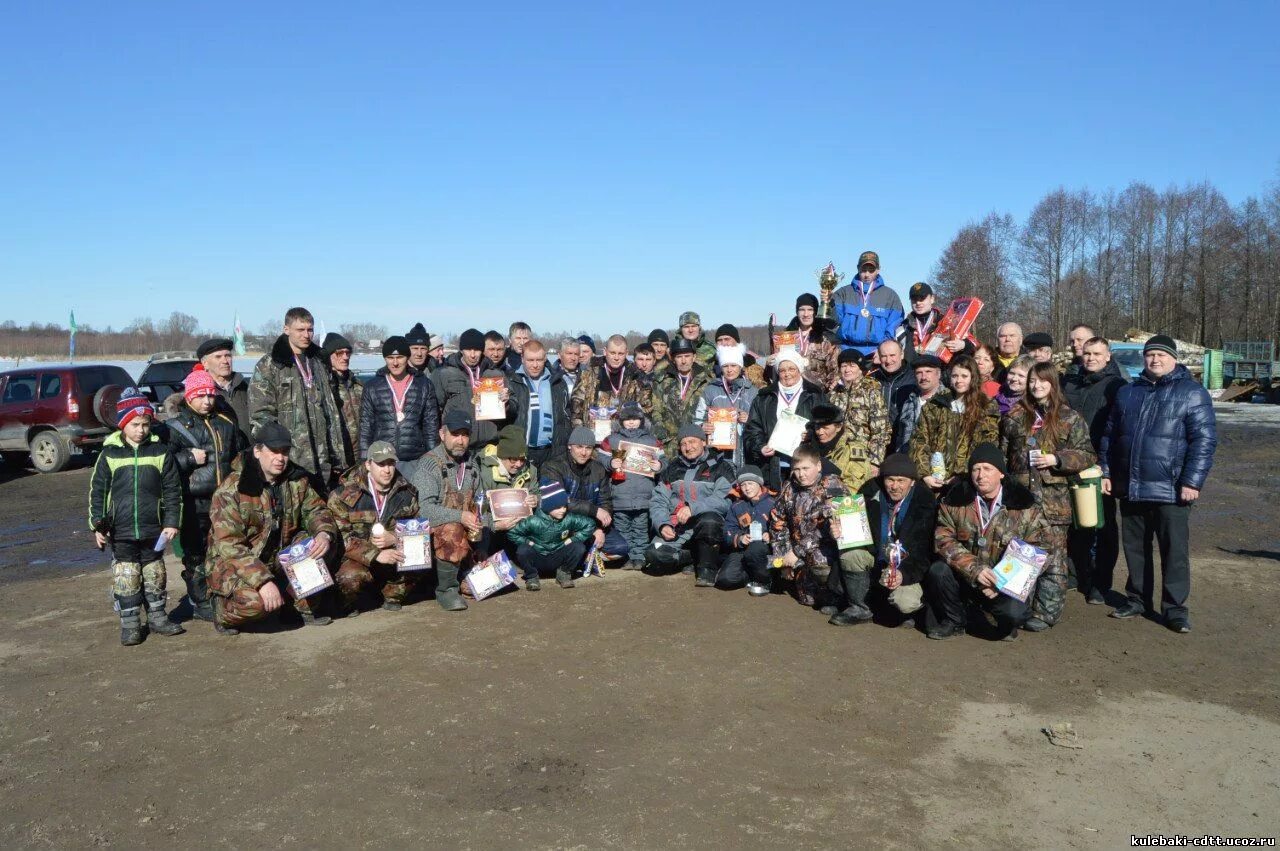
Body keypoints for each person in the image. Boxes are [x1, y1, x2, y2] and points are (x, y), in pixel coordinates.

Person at [1101, 335, 1217, 633]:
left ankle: (1175, 609)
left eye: (1161, 355)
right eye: (1150, 355)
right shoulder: (1129, 393)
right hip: (1131, 486)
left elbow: (1203, 441)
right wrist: (1106, 472)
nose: (1155, 360)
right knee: (1135, 548)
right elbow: (1110, 436)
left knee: (1173, 551)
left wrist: (1192, 481)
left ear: (1174, 359)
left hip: (1171, 488)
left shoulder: (1192, 393)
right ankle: (1137, 599)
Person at [207, 420, 339, 633]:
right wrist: (262, 581)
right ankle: (222, 611)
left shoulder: (296, 479)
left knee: (319, 544)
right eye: (274, 451)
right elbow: (229, 545)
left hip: (277, 554)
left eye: (285, 452)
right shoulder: (231, 490)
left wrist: (324, 533)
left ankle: (298, 606)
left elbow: (317, 510)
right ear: (258, 451)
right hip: (235, 562)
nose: (280, 458)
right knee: (256, 604)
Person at [999, 363, 1096, 630]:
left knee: (1052, 558)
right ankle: (1019, 607)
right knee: (1019, 553)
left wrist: (1057, 458)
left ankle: (1045, 613)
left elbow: (1087, 454)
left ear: (1053, 384)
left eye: (1042, 381)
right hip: (1021, 499)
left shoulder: (1069, 417)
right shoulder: (1015, 415)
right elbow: (1003, 455)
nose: (1036, 386)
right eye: (1032, 381)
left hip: (1054, 500)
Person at [923, 443, 1051, 641]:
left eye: (987, 469)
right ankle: (955, 621)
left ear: (1001, 473)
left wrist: (1000, 581)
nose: (980, 475)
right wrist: (975, 570)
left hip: (1004, 583)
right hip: (966, 577)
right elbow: (943, 540)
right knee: (938, 571)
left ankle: (1002, 623)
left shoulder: (1025, 506)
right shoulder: (954, 501)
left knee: (1014, 613)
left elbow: (1040, 548)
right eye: (976, 469)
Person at [89, 389, 184, 645]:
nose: (141, 430)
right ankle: (130, 623)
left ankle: (158, 617)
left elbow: (173, 491)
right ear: (123, 424)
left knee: (154, 572)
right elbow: (98, 491)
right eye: (135, 425)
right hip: (120, 531)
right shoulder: (109, 454)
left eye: (145, 424)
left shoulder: (160, 452)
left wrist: (172, 521)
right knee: (127, 575)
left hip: (153, 528)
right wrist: (97, 524)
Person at [165, 367, 247, 623]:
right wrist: (189, 458)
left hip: (224, 501)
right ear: (189, 397)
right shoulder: (175, 428)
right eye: (200, 396)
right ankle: (200, 601)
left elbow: (240, 454)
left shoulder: (226, 424)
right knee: (196, 554)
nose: (207, 401)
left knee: (223, 550)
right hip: (194, 502)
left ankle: (222, 593)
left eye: (210, 395)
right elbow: (163, 464)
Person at [405, 410, 499, 612]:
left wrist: (483, 544)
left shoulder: (472, 465)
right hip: (432, 536)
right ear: (442, 434)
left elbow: (481, 507)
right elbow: (424, 511)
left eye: (465, 435)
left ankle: (463, 577)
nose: (460, 441)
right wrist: (461, 516)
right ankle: (446, 590)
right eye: (455, 434)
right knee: (453, 528)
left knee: (489, 583)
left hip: (463, 539)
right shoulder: (430, 464)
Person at [769, 444, 873, 622]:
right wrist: (783, 559)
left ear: (818, 466)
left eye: (806, 468)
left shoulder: (832, 486)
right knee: (806, 599)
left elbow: (823, 529)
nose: (801, 474)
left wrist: (796, 552)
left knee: (821, 563)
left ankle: (838, 596)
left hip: (826, 549)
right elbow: (778, 523)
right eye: (797, 469)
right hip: (797, 551)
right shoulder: (788, 487)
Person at [1062, 336, 1128, 604]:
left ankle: (1101, 582)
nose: (1091, 358)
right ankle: (1079, 575)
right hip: (1070, 462)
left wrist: (1108, 468)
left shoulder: (1117, 386)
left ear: (1108, 356)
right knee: (1075, 525)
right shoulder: (1071, 383)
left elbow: (1118, 430)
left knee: (1102, 526)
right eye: (1087, 353)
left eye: (1097, 353)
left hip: (1099, 466)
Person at [249, 307, 345, 489]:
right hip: (291, 459)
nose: (306, 335)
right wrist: (276, 454)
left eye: (310, 330)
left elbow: (331, 411)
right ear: (287, 330)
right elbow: (261, 416)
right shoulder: (270, 365)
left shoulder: (319, 361)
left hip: (324, 458)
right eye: (300, 330)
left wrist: (337, 454)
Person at [329, 441, 421, 615]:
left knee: (420, 558)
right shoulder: (343, 495)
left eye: (391, 463)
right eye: (380, 464)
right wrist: (376, 554)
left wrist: (395, 537)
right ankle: (348, 603)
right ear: (368, 465)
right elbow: (341, 537)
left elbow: (419, 529)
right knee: (350, 578)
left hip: (393, 556)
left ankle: (391, 595)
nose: (387, 470)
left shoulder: (407, 493)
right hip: (357, 558)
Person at [647, 425, 734, 585]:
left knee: (710, 520)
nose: (688, 447)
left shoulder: (722, 467)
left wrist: (693, 508)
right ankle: (691, 557)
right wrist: (662, 525)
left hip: (707, 527)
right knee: (654, 554)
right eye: (684, 444)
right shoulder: (672, 468)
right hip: (679, 528)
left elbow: (724, 502)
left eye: (692, 442)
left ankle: (707, 569)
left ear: (703, 442)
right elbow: (659, 500)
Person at [858, 453, 936, 628]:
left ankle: (914, 612)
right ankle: (857, 606)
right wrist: (841, 533)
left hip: (908, 567)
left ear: (913, 481)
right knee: (852, 556)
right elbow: (856, 534)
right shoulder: (869, 496)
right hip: (878, 560)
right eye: (890, 480)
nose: (894, 486)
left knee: (905, 602)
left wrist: (904, 574)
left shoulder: (925, 505)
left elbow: (924, 552)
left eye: (901, 480)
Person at [909, 355, 999, 489]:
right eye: (955, 376)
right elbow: (919, 440)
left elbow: (987, 443)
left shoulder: (986, 405)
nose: (958, 381)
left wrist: (964, 475)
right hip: (935, 478)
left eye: (964, 376)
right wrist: (925, 474)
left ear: (973, 377)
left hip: (968, 480)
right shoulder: (935, 404)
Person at [542, 427, 628, 564]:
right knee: (571, 549)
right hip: (563, 524)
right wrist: (593, 510)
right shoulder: (553, 467)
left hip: (592, 525)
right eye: (579, 447)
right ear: (570, 446)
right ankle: (580, 556)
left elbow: (605, 502)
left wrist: (600, 529)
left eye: (588, 448)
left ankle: (585, 557)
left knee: (620, 548)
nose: (583, 452)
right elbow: (559, 501)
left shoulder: (598, 469)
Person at [743, 350, 826, 489]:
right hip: (774, 465)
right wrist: (760, 447)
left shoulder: (815, 395)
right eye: (782, 370)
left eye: (792, 369)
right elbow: (752, 429)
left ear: (799, 370)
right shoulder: (764, 397)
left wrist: (811, 435)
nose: (787, 374)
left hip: (804, 465)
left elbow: (825, 426)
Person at [358, 336, 440, 467]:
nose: (395, 363)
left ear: (407, 357)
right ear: (385, 359)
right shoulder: (372, 387)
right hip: (382, 459)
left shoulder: (424, 385)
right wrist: (364, 459)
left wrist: (433, 460)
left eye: (400, 357)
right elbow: (366, 426)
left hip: (415, 459)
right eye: (390, 358)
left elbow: (431, 426)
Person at [602, 402, 664, 570]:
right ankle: (627, 557)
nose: (631, 422)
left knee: (640, 528)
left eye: (635, 418)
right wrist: (610, 462)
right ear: (620, 421)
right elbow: (600, 457)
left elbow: (663, 459)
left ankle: (641, 556)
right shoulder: (612, 439)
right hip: (620, 492)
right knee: (623, 528)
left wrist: (659, 466)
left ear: (642, 420)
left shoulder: (651, 440)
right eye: (627, 419)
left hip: (644, 493)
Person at [508, 481, 597, 590]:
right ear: (547, 507)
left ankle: (564, 573)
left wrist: (574, 538)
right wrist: (528, 542)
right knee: (523, 550)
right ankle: (531, 576)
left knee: (579, 547)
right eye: (558, 507)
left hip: (558, 556)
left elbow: (590, 524)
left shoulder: (568, 518)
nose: (563, 510)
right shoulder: (533, 520)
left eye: (565, 506)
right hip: (538, 556)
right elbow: (512, 533)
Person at [433, 328, 508, 449]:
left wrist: (507, 403)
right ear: (461, 350)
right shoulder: (444, 374)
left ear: (482, 351)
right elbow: (434, 411)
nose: (473, 355)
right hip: (458, 444)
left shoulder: (494, 374)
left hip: (489, 445)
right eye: (468, 350)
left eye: (477, 350)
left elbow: (514, 408)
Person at [505, 339, 571, 467]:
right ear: (522, 358)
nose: (535, 365)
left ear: (545, 358)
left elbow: (566, 416)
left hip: (551, 451)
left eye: (539, 360)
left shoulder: (557, 382)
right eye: (530, 360)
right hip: (522, 451)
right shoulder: (512, 381)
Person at [694, 344, 758, 468]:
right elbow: (697, 418)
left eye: (733, 365)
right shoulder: (710, 390)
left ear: (740, 367)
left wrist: (749, 419)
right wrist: (703, 426)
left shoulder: (753, 391)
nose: (729, 370)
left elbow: (761, 422)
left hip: (744, 449)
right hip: (717, 450)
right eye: (725, 366)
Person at [827, 349, 890, 475]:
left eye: (852, 365)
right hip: (836, 455)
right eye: (844, 366)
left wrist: (874, 461)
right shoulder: (834, 394)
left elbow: (881, 431)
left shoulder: (871, 392)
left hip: (861, 457)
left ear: (860, 369)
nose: (847, 369)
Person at [832, 250, 905, 355]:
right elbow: (834, 321)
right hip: (846, 351)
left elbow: (893, 326)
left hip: (876, 353)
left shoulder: (890, 296)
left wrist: (882, 349)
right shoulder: (843, 293)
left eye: (871, 270)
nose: (867, 274)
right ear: (858, 268)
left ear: (878, 270)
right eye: (863, 270)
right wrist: (828, 303)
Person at [570, 334, 649, 428]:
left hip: (624, 437)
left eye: (620, 354)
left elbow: (645, 409)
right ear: (605, 351)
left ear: (627, 353)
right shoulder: (588, 372)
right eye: (612, 353)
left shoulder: (636, 377)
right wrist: (580, 433)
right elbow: (576, 406)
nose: (616, 358)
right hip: (592, 437)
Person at [651, 337, 713, 457]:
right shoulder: (662, 381)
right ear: (673, 359)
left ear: (694, 357)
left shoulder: (707, 381)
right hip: (670, 445)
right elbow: (656, 409)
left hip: (697, 444)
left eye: (687, 356)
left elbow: (713, 409)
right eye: (679, 357)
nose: (683, 361)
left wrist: (705, 425)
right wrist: (659, 428)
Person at [718, 465, 774, 596]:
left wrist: (772, 535)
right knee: (725, 579)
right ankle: (751, 576)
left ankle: (765, 580)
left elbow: (783, 526)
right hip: (743, 549)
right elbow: (727, 531)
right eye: (743, 485)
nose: (747, 488)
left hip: (765, 550)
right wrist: (739, 538)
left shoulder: (772, 503)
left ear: (759, 484)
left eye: (750, 483)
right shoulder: (737, 506)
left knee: (755, 550)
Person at [805, 402, 874, 493]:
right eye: (817, 427)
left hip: (840, 502)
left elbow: (855, 486)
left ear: (838, 427)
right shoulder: (810, 446)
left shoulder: (853, 450)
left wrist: (824, 496)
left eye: (825, 428)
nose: (820, 432)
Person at [897, 282, 970, 364]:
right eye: (914, 299)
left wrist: (963, 345)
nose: (918, 303)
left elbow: (974, 344)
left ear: (932, 299)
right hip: (914, 374)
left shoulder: (947, 321)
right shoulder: (903, 327)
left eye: (922, 298)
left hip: (941, 373)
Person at [194, 337, 251, 439]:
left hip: (249, 451)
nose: (225, 361)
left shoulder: (247, 387)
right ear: (205, 363)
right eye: (218, 357)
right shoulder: (197, 393)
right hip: (217, 452)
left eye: (228, 356)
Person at [321, 332, 362, 469]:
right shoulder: (322, 388)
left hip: (361, 456)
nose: (345, 357)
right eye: (339, 353)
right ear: (328, 356)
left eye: (347, 353)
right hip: (337, 460)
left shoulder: (358, 386)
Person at [890, 354, 945, 453]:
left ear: (939, 374)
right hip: (908, 462)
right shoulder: (909, 401)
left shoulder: (948, 401)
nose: (923, 377)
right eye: (919, 373)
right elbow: (901, 437)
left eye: (928, 371)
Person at [784, 293, 839, 388]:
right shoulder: (785, 337)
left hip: (818, 395)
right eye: (802, 310)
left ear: (816, 312)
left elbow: (835, 373)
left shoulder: (826, 339)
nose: (806, 314)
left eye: (810, 310)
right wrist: (770, 363)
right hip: (790, 392)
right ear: (797, 312)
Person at [873, 338, 916, 426]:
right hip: (878, 434)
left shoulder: (914, 379)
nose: (888, 361)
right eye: (884, 356)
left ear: (902, 354)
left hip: (903, 434)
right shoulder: (872, 380)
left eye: (892, 355)